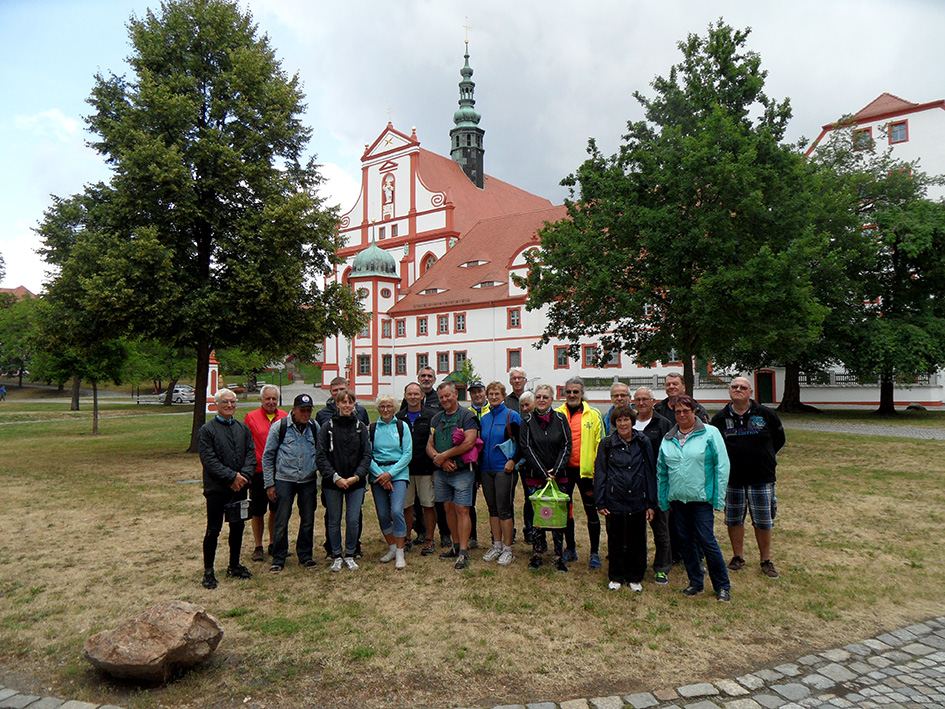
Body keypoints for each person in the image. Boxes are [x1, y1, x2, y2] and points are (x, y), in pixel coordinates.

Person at [657, 395, 732, 602]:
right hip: (678, 500)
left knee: (708, 542)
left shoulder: (710, 434)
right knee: (686, 543)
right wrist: (663, 500)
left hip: (701, 499)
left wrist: (718, 498)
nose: (682, 415)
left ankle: (722, 585)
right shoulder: (668, 438)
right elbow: (662, 471)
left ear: (694, 411)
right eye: (678, 412)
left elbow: (722, 466)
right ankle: (695, 581)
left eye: (686, 411)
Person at [710, 377, 786, 579]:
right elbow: (714, 447)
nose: (738, 390)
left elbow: (779, 440)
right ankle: (738, 556)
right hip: (733, 479)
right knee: (734, 520)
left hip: (761, 477)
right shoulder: (719, 418)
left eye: (743, 387)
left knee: (763, 521)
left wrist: (764, 457)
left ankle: (766, 560)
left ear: (750, 392)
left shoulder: (766, 415)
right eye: (734, 387)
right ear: (729, 391)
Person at [594, 405, 657, 591]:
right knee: (615, 539)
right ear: (615, 423)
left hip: (637, 497)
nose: (623, 424)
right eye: (619, 420)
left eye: (626, 420)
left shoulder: (643, 442)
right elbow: (601, 473)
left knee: (636, 539)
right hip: (615, 498)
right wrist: (600, 500)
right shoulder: (606, 444)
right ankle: (616, 575)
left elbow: (650, 472)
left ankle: (635, 576)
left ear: (632, 421)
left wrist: (650, 503)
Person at [197, 388, 255, 589]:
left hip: (239, 488)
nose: (229, 405)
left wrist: (244, 476)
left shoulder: (242, 428)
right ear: (216, 405)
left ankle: (234, 564)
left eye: (232, 402)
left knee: (238, 527)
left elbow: (250, 454)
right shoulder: (207, 430)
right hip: (217, 489)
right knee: (213, 529)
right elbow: (209, 460)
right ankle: (209, 571)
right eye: (225, 402)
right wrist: (231, 477)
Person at [262, 393, 319, 573]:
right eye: (302, 410)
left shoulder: (314, 427)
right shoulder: (280, 427)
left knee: (308, 519)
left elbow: (321, 453)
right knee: (281, 519)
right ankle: (279, 557)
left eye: (309, 410)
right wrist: (270, 484)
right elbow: (268, 456)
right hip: (284, 480)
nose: (306, 414)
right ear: (293, 410)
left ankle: (305, 555)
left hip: (308, 481)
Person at [317, 388, 372, 571]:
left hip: (355, 482)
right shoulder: (328, 427)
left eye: (350, 402)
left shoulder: (360, 427)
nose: (347, 405)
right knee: (334, 519)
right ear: (337, 404)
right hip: (333, 482)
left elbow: (366, 454)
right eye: (343, 402)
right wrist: (335, 477)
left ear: (354, 405)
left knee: (353, 519)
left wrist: (356, 476)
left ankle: (350, 553)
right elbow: (321, 456)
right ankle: (336, 554)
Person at [426, 382, 479, 569]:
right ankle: (456, 546)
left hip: (462, 472)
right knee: (448, 508)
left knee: (462, 509)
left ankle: (464, 552)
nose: (445, 400)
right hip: (442, 472)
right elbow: (429, 445)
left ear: (456, 394)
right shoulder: (436, 419)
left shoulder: (467, 416)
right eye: (441, 397)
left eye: (448, 395)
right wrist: (438, 459)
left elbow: (469, 443)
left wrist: (444, 456)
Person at [519, 384, 572, 572]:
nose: (541, 400)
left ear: (552, 399)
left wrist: (555, 471)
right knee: (538, 518)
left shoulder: (560, 418)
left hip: (559, 477)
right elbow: (526, 447)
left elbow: (567, 446)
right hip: (535, 476)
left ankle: (559, 555)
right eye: (538, 397)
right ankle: (537, 553)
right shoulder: (527, 421)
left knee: (557, 518)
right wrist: (543, 472)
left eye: (545, 397)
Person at [556, 377, 604, 568]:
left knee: (591, 512)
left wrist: (596, 471)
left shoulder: (593, 414)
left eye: (576, 392)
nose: (572, 395)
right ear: (564, 394)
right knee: (566, 512)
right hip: (564, 471)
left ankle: (594, 553)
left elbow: (600, 444)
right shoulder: (557, 413)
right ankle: (571, 549)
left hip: (586, 473)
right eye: (568, 392)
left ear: (582, 393)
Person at [632, 387, 674, 584]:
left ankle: (662, 567)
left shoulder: (663, 423)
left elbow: (671, 454)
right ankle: (637, 564)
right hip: (633, 483)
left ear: (653, 401)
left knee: (661, 528)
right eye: (638, 400)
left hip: (657, 482)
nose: (641, 403)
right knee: (636, 528)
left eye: (645, 399)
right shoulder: (629, 422)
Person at [244, 385, 289, 561]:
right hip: (258, 471)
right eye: (268, 399)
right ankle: (258, 546)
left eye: (274, 399)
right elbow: (247, 445)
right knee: (258, 511)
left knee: (276, 510)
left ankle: (274, 542)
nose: (271, 402)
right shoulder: (251, 417)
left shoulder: (284, 417)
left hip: (280, 472)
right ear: (261, 400)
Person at [478, 382, 521, 566]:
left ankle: (508, 548)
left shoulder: (512, 416)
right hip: (487, 470)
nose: (494, 397)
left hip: (505, 469)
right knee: (492, 509)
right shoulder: (485, 418)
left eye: (497, 394)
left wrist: (513, 460)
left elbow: (521, 442)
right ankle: (496, 544)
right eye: (491, 394)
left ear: (504, 396)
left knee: (504, 508)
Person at [369, 394, 413, 570]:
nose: (385, 409)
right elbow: (368, 455)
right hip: (377, 475)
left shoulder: (402, 427)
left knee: (396, 511)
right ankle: (392, 547)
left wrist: (390, 474)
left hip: (399, 474)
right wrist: (381, 475)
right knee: (382, 514)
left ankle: (401, 552)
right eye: (382, 406)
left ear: (394, 408)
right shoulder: (372, 429)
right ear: (378, 409)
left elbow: (407, 453)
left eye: (389, 406)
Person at [397, 382, 439, 556]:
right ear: (405, 396)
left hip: (426, 469)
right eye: (410, 394)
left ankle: (429, 539)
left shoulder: (431, 416)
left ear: (422, 396)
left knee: (428, 505)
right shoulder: (399, 418)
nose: (413, 397)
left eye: (416, 394)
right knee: (406, 506)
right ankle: (406, 538)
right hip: (404, 470)